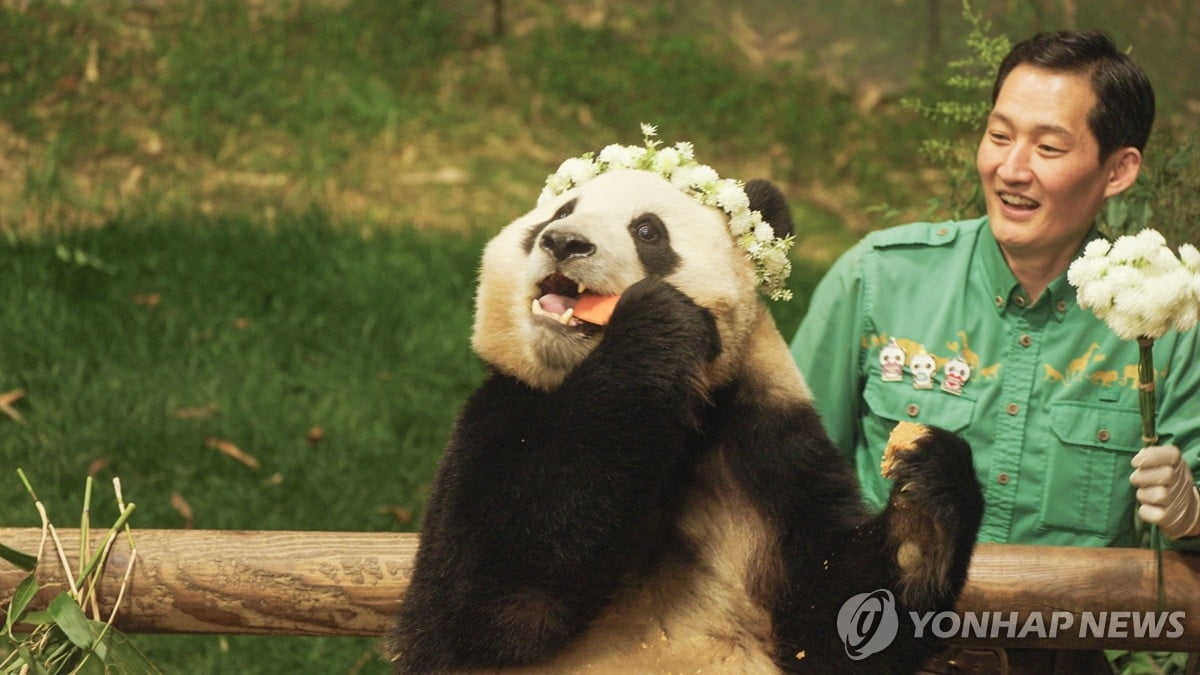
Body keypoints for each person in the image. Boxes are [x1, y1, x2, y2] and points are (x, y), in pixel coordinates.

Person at [790, 30, 1200, 670]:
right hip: (883, 649)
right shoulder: (878, 280)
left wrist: (1191, 513)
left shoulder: (1164, 322)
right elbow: (787, 475)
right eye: (1000, 135)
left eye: (1049, 146)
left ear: (1117, 169)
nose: (1011, 168)